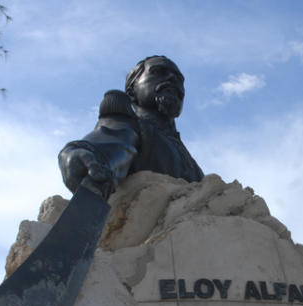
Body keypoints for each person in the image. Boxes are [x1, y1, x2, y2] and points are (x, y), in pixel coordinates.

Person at [58, 55, 204, 199]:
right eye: (158, 72)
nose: (172, 79)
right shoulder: (132, 127)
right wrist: (84, 156)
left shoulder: (195, 168)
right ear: (131, 92)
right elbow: (112, 146)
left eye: (179, 79)